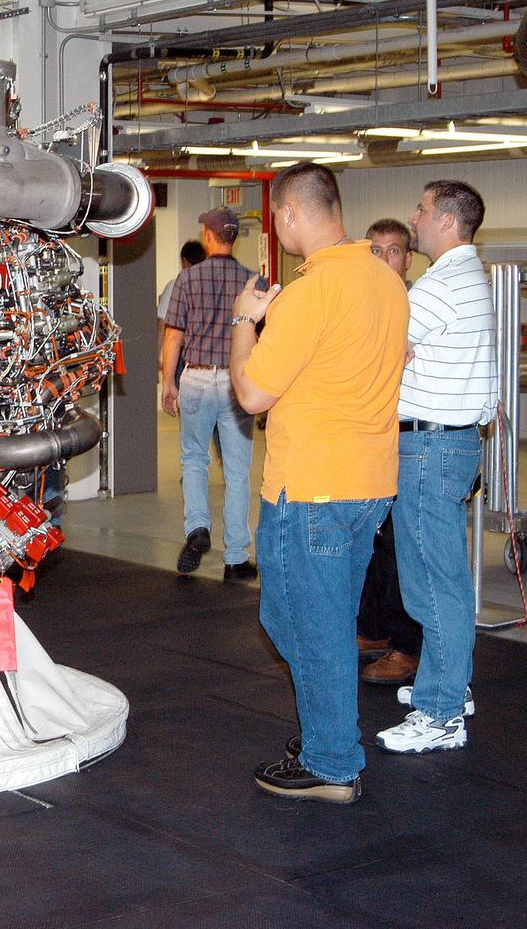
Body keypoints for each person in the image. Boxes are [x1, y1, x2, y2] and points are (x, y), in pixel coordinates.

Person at [229, 162, 408, 804]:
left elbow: (250, 392)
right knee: (300, 617)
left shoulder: (312, 293)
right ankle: (329, 733)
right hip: (368, 485)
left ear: (291, 214)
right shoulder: (386, 281)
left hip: (314, 490)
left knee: (314, 625)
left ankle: (333, 759)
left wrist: (246, 320)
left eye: (277, 216)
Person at [375, 181, 496, 755]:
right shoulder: (469, 279)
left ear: (447, 221)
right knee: (439, 579)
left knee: (430, 584)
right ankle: (451, 684)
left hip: (429, 449)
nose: (413, 217)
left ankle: (441, 712)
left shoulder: (441, 287)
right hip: (450, 444)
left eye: (421, 209)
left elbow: (379, 350)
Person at [161, 209, 263, 581]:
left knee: (193, 459)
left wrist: (168, 382)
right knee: (237, 470)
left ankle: (197, 529)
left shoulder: (187, 278)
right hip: (238, 383)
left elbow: (174, 335)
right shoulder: (253, 282)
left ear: (207, 234)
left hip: (198, 379)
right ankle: (236, 557)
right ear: (233, 237)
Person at [356, 218, 426, 686]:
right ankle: (375, 629)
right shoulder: (363, 305)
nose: (384, 259)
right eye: (376, 251)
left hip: (412, 438)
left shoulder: (417, 303)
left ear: (408, 258)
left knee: (404, 546)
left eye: (394, 251)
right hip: (369, 437)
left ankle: (408, 646)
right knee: (372, 539)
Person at [156, 240, 208, 382]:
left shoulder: (175, 285)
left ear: (184, 261)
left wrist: (156, 356)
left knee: (181, 399)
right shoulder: (211, 287)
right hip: (209, 355)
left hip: (183, 354)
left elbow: (162, 325)